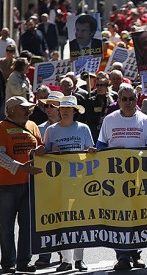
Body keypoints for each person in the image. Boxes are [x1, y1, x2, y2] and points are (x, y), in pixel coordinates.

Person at [96, 84, 147, 271]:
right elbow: (100, 146)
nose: (129, 102)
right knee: (119, 216)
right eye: (125, 99)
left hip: (139, 178)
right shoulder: (109, 120)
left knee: (138, 216)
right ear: (119, 101)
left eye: (132, 99)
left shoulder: (146, 121)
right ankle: (122, 255)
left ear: (136, 100)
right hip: (115, 179)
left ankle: (136, 254)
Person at [37, 96, 94, 271]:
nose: (65, 111)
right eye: (62, 108)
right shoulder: (51, 131)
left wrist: (91, 152)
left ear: (74, 111)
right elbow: (44, 154)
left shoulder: (83, 129)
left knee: (80, 221)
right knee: (62, 222)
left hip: (79, 182)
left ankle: (79, 259)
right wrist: (46, 152)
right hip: (59, 183)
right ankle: (66, 259)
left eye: (69, 109)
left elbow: (90, 153)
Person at [0, 96, 43, 273]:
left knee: (27, 225)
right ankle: (8, 262)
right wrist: (21, 167)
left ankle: (24, 261)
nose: (28, 111)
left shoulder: (33, 126)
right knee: (6, 226)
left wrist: (44, 151)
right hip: (7, 185)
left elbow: (40, 148)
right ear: (11, 110)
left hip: (29, 184)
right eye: (23, 108)